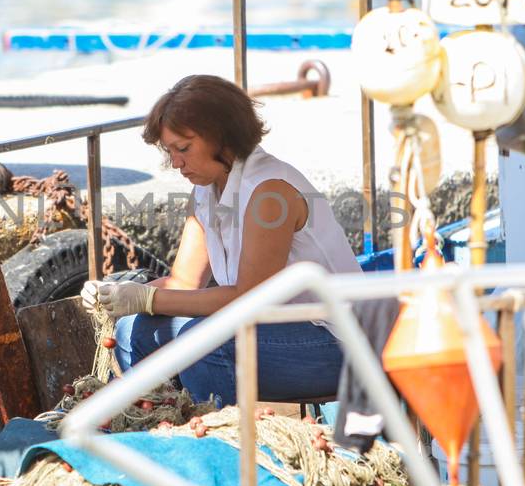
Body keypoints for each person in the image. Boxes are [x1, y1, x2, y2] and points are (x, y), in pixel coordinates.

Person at [80, 74, 360, 405]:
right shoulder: (205, 190)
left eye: (183, 149)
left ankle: (218, 447)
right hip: (270, 330)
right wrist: (115, 297)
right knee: (133, 331)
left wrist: (147, 298)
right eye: (170, 151)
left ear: (223, 138)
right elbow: (185, 281)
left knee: (203, 345)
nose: (176, 163)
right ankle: (152, 430)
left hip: (338, 342)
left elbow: (247, 299)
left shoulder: (270, 192)